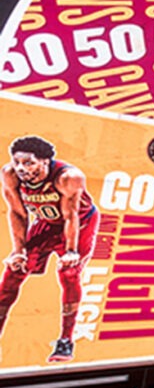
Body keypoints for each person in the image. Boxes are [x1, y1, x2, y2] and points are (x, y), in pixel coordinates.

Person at [1, 135, 99, 364]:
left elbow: (70, 216)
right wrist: (18, 251)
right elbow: (17, 213)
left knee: (69, 273)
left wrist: (71, 251)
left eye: (29, 163)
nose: (21, 168)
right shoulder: (9, 174)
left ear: (45, 161)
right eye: (18, 162)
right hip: (46, 223)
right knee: (14, 271)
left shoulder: (68, 177)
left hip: (79, 224)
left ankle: (66, 340)